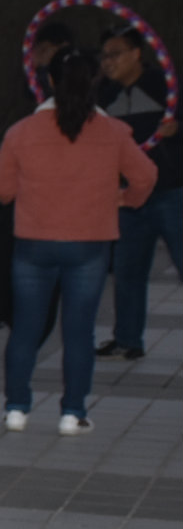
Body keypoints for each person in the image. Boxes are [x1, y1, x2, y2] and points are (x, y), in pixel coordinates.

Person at [0, 48, 156, 434]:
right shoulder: (113, 132)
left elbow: (1, 190)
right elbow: (146, 176)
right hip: (89, 243)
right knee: (79, 331)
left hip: (33, 241)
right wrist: (124, 199)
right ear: (95, 80)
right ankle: (72, 412)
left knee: (26, 328)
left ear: (49, 81)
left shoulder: (21, 132)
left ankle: (16, 408)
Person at [95, 25, 183, 360]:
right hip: (129, 196)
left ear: (136, 54)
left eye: (115, 54)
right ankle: (127, 339)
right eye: (104, 56)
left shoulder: (165, 86)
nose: (108, 62)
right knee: (127, 271)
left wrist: (177, 129)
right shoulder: (104, 96)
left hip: (171, 191)